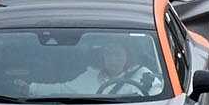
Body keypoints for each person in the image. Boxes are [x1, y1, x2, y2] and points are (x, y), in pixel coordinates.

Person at [28, 38, 162, 97]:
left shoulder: (145, 77)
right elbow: (62, 89)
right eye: (108, 53)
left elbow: (159, 103)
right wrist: (30, 88)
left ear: (128, 57)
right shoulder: (90, 76)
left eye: (118, 54)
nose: (112, 59)